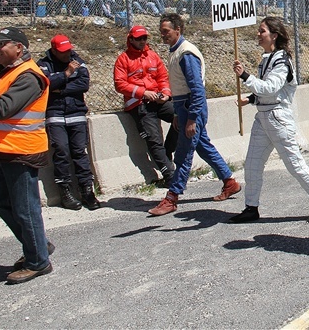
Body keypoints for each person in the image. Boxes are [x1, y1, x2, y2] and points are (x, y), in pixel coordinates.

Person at [230, 17, 309, 223]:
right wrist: (250, 99)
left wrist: (245, 76)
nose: (258, 35)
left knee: (294, 163)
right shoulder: (267, 57)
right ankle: (251, 207)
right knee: (252, 164)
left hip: (278, 118)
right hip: (264, 116)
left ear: (274, 35)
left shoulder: (282, 60)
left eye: (262, 31)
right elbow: (266, 91)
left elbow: (270, 88)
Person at [148, 13, 241, 216]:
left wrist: (191, 118)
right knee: (203, 146)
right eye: (161, 32)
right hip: (183, 107)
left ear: (178, 30)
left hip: (191, 107)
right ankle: (229, 182)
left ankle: (172, 197)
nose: (162, 35)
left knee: (183, 153)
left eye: (166, 31)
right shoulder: (176, 51)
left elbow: (197, 90)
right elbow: (180, 86)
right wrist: (176, 114)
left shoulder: (186, 54)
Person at [0, 27, 55, 284]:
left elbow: (3, 109)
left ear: (18, 48)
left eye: (1, 45)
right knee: (0, 201)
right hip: (5, 150)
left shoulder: (29, 76)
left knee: (25, 209)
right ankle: (38, 245)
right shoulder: (9, 74)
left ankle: (38, 261)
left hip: (21, 150)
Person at [37, 35, 100, 211]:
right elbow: (44, 85)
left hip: (77, 113)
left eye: (69, 50)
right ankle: (65, 192)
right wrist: (66, 74)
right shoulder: (43, 64)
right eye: (63, 52)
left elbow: (83, 84)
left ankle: (87, 191)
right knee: (62, 151)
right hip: (55, 114)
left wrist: (60, 87)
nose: (68, 54)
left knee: (80, 152)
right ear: (54, 51)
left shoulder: (77, 60)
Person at [113, 25, 177, 186]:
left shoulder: (153, 56)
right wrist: (142, 93)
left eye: (145, 38)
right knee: (153, 139)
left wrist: (166, 94)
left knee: (183, 117)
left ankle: (167, 151)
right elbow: (120, 84)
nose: (142, 41)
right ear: (131, 39)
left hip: (158, 100)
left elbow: (163, 77)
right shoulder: (123, 59)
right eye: (139, 38)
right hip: (139, 104)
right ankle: (169, 175)